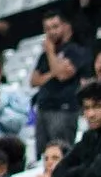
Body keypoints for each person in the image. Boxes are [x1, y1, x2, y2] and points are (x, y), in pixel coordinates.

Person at [31, 11, 92, 152]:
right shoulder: (44, 56)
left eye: (55, 26)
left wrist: (51, 54)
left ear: (64, 26)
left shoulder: (75, 50)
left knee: (60, 153)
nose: (51, 32)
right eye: (47, 28)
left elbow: (62, 76)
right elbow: (34, 81)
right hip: (43, 108)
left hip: (64, 109)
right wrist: (54, 69)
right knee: (42, 155)